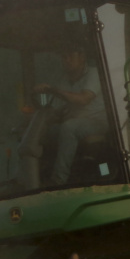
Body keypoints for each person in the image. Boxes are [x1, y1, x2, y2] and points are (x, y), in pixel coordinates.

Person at [33, 49, 107, 185]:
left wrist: (52, 90)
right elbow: (57, 109)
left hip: (99, 122)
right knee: (46, 131)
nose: (66, 60)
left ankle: (58, 180)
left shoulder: (94, 73)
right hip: (77, 122)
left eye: (70, 55)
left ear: (82, 57)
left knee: (69, 127)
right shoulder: (64, 81)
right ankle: (38, 177)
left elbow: (83, 99)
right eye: (64, 56)